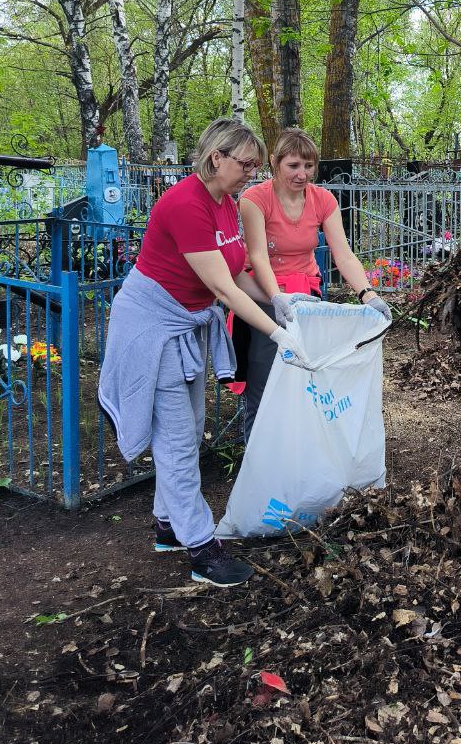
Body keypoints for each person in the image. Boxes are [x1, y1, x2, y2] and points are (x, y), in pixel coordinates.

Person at [98, 119, 311, 589]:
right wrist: (279, 333)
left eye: (257, 167)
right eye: (247, 164)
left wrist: (276, 298)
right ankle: (201, 549)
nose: (252, 175)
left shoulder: (226, 204)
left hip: (188, 324)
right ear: (217, 157)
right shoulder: (185, 205)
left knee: (190, 431)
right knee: (176, 440)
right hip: (154, 329)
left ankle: (167, 525)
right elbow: (221, 288)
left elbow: (237, 278)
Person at [236, 127, 391, 438]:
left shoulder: (323, 199)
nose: (302, 174)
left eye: (308, 166)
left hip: (306, 294)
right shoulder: (255, 199)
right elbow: (258, 256)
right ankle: (258, 448)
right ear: (276, 164)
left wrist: (368, 294)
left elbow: (343, 254)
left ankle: (300, 442)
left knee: (307, 372)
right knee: (265, 373)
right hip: (264, 295)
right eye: (293, 166)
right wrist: (276, 297)